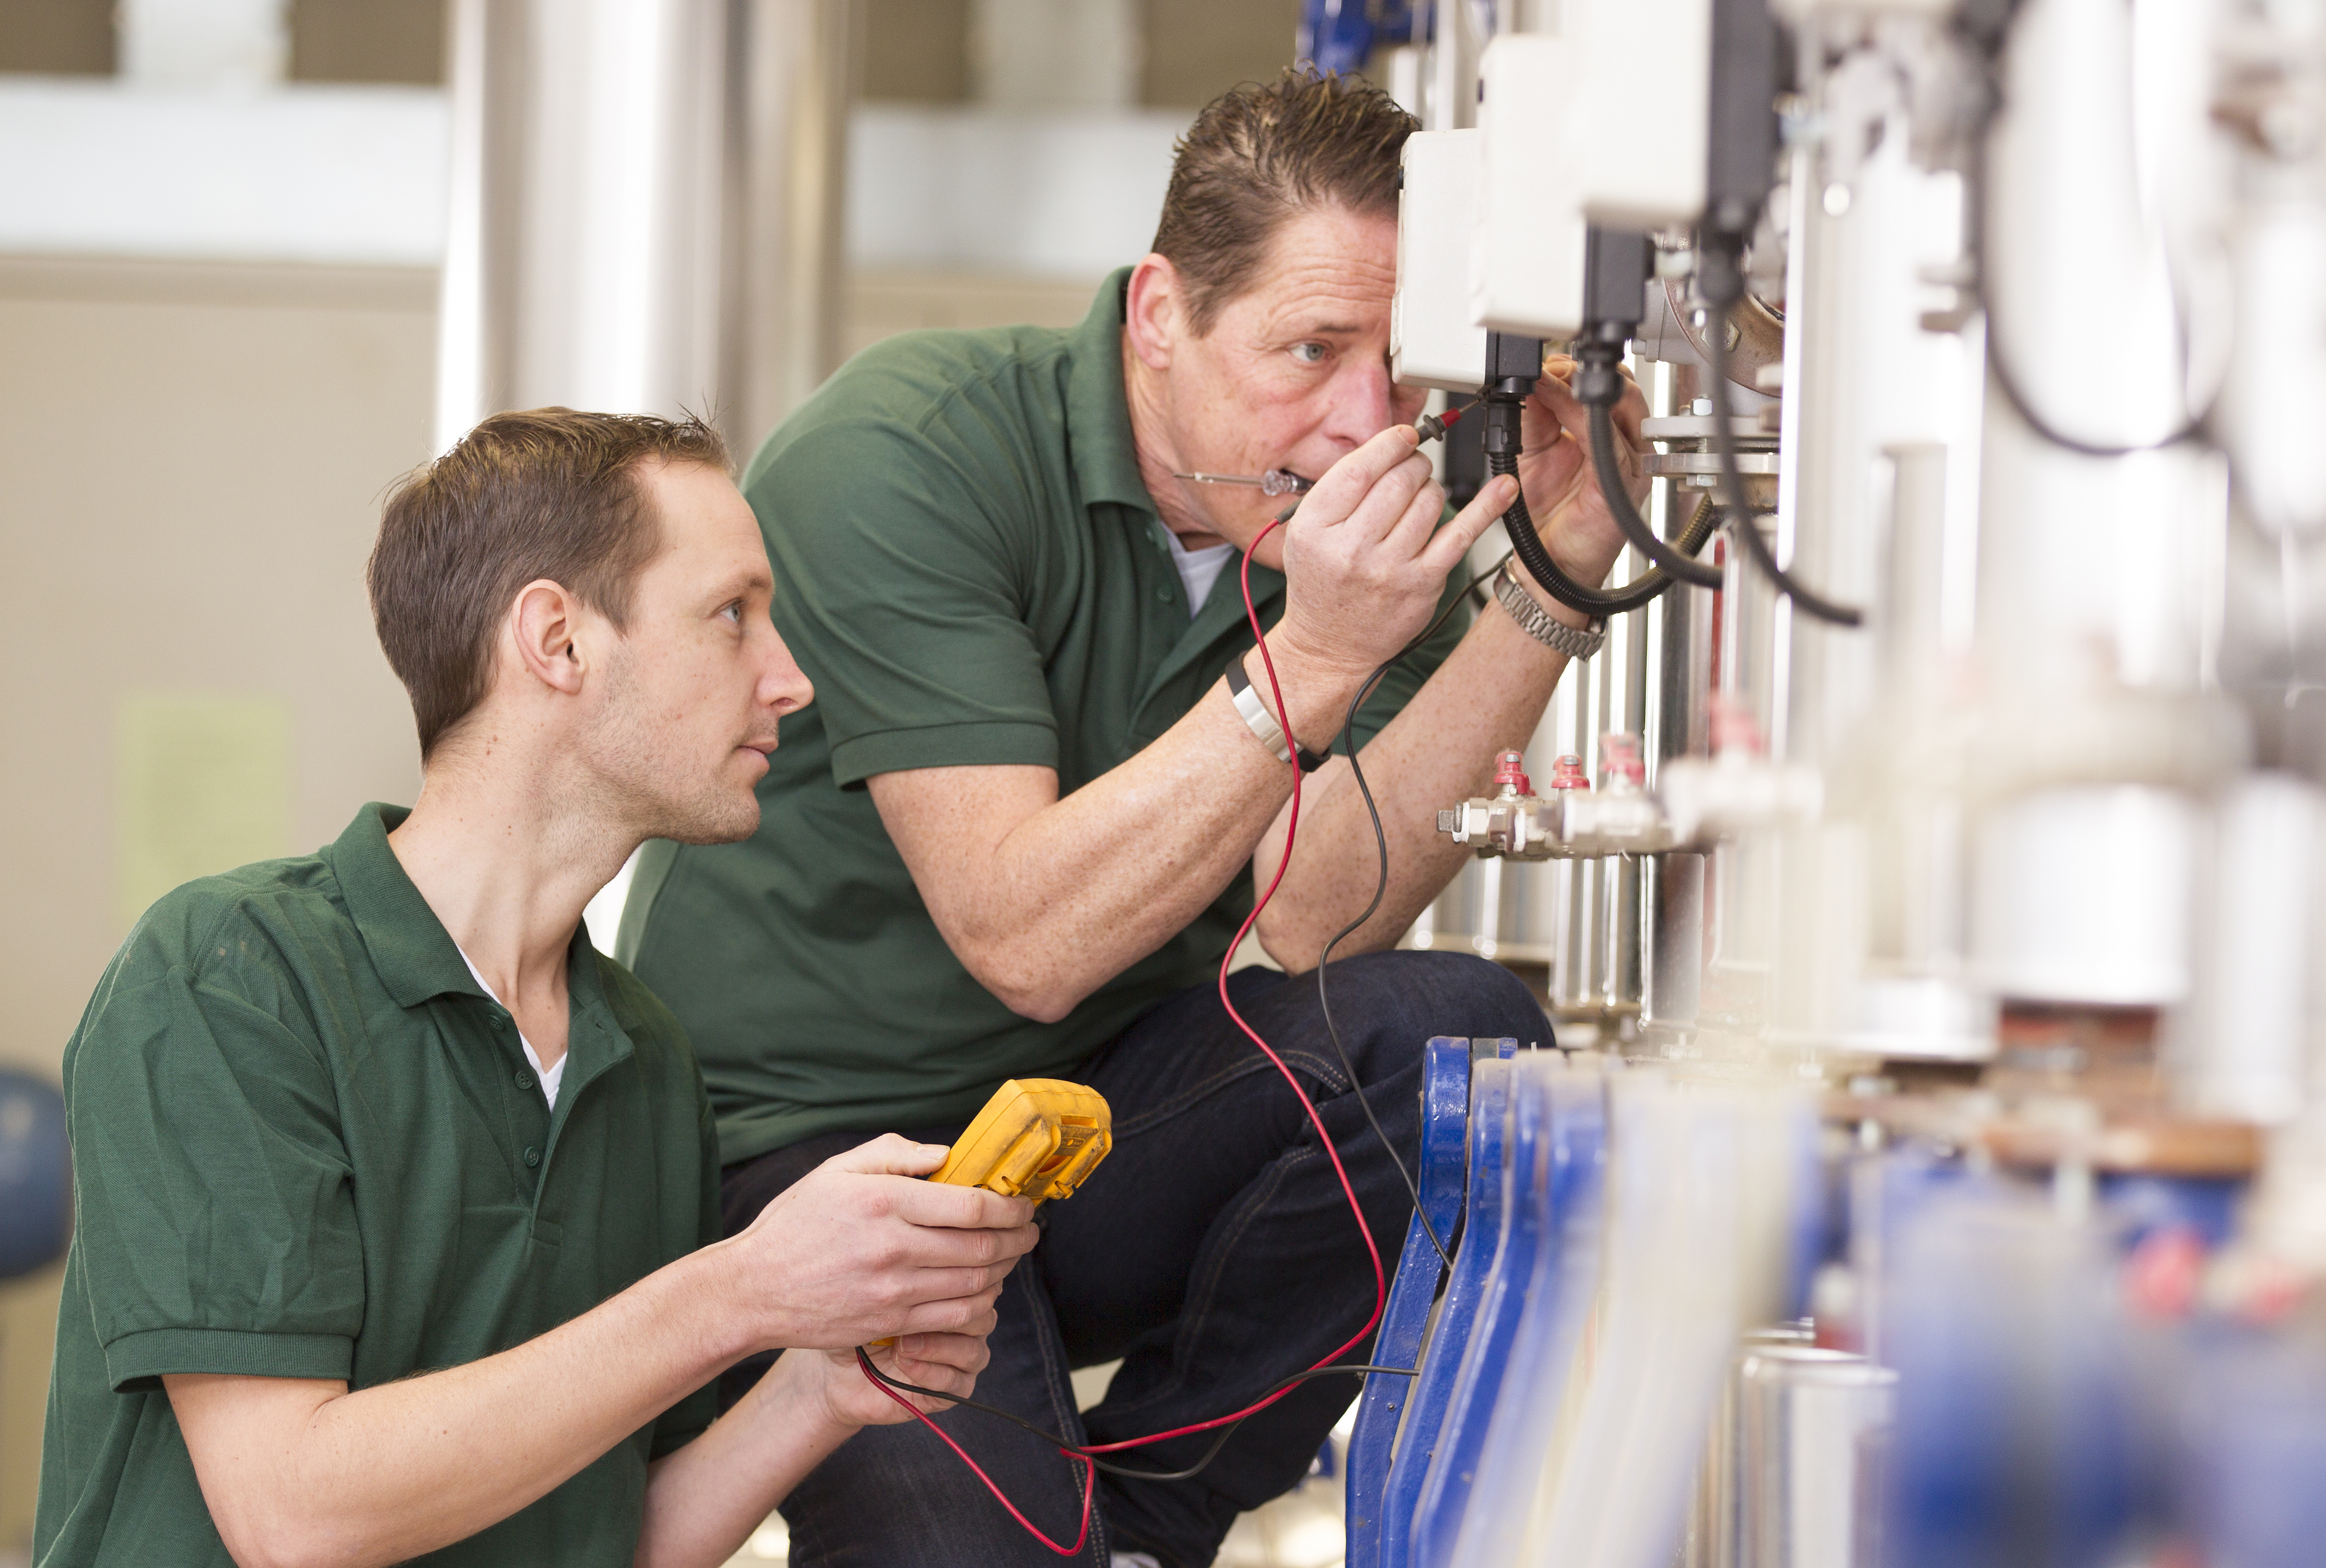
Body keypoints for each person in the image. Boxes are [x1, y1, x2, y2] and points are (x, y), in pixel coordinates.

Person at [619, 70, 1646, 1568]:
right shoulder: (911, 450)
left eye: (1403, 365)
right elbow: (1024, 937)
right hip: (810, 1158)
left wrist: (1550, 577)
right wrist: (1316, 662)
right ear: (1160, 313)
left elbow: (1318, 908)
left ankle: (1149, 1522)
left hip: (1087, 1127)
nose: (1369, 422)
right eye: (1312, 348)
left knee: (1455, 1042)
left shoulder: (1351, 530)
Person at [34, 410, 1040, 1568]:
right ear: (558, 641)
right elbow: (294, 1514)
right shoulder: (228, 975)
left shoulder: (645, 1055)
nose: (792, 680)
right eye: (732, 616)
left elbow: (610, 1536)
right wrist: (742, 1291)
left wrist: (819, 1388)